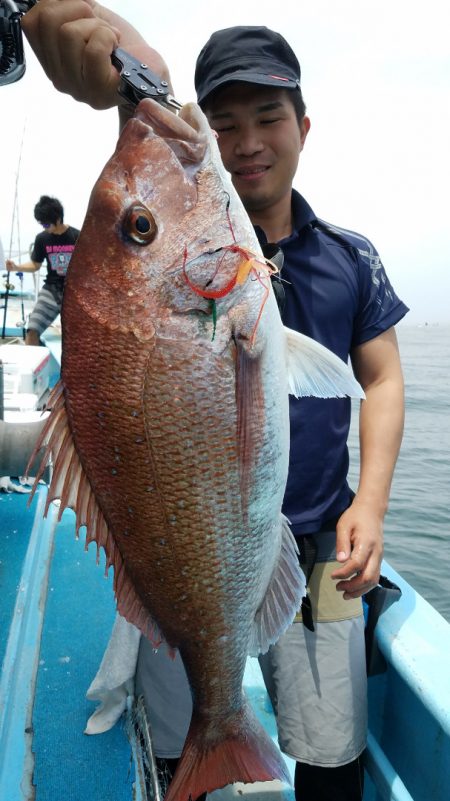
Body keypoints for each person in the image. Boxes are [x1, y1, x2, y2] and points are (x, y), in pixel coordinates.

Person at [22, 5, 408, 801]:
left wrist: (370, 503)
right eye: (223, 123)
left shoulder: (347, 258)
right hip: (185, 569)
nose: (246, 140)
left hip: (322, 548)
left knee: (330, 750)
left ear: (304, 125)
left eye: (268, 117)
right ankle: (205, 744)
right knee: (179, 741)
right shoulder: (211, 249)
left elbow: (381, 377)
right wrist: (136, 80)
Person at [5, 195, 79, 345]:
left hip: (75, 293)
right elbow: (35, 264)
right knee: (32, 329)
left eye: (46, 224)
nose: (44, 228)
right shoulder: (42, 239)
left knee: (79, 336)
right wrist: (16, 267)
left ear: (58, 219)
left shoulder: (77, 237)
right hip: (51, 290)